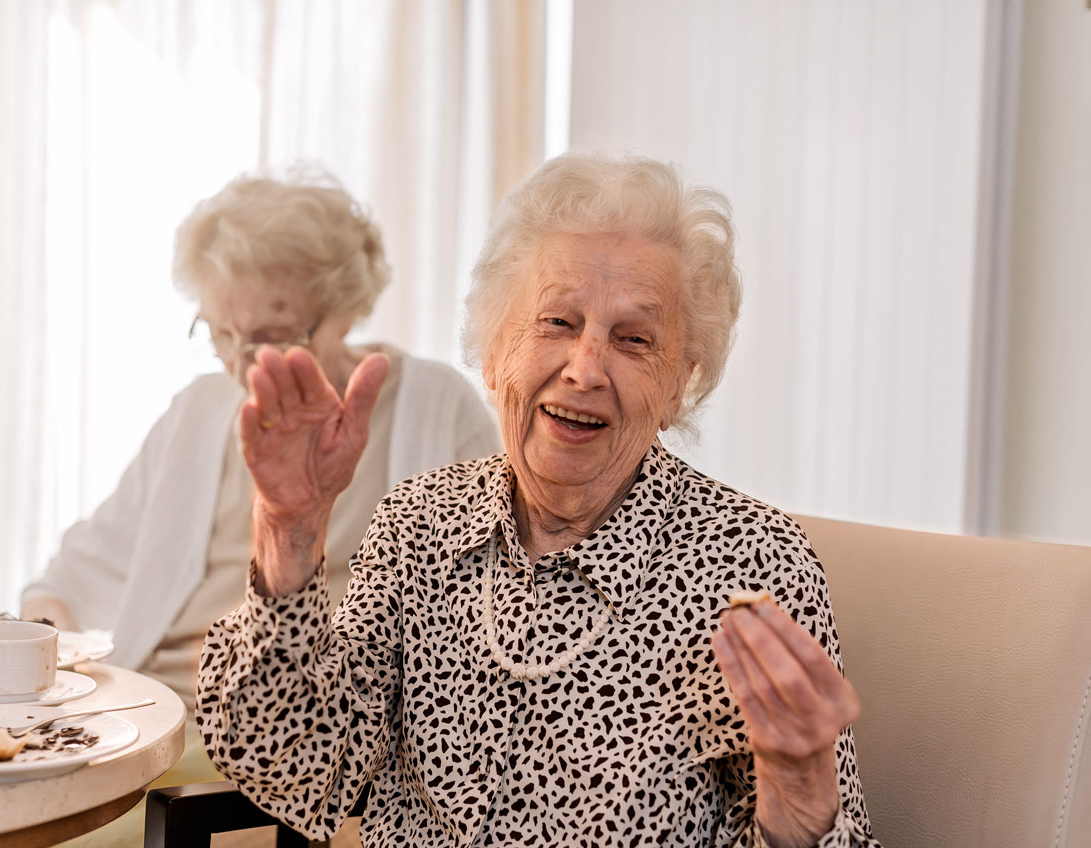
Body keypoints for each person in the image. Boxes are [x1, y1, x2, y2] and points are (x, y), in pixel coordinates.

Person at [197, 152, 882, 847]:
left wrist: (798, 799)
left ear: (680, 384)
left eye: (634, 339)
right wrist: (288, 531)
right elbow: (301, 770)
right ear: (494, 355)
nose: (584, 369)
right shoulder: (417, 525)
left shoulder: (750, 567)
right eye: (557, 322)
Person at [20, 169, 501, 804]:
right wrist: (37, 651)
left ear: (344, 311)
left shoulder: (435, 409)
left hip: (278, 752)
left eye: (274, 338)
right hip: (134, 719)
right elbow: (67, 581)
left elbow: (479, 635)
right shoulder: (198, 410)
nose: (245, 364)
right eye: (220, 334)